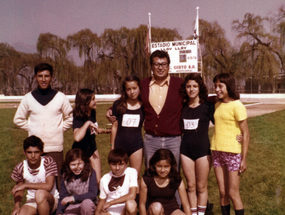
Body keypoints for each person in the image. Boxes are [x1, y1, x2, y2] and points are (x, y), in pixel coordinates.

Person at [107, 50, 183, 168]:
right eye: (156, 64)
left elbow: (194, 98)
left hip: (173, 140)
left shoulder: (179, 84)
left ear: (169, 66)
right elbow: (130, 98)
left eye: (164, 64)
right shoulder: (143, 84)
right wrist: (112, 109)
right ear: (151, 66)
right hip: (151, 140)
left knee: (173, 174)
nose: (160, 68)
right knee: (150, 174)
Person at [13, 63, 73, 188]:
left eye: (46, 76)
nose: (43, 79)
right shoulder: (28, 98)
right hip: (36, 149)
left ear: (51, 77)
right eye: (40, 76)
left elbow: (70, 118)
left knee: (57, 182)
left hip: (55, 147)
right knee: (37, 181)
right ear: (35, 77)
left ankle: (58, 207)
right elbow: (18, 119)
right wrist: (32, 127)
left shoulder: (60, 97)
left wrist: (59, 129)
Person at [212, 73, 250, 215]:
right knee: (223, 193)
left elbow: (245, 133)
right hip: (216, 152)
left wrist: (243, 159)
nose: (217, 89)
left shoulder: (237, 105)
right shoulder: (217, 105)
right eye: (215, 86)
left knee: (233, 193)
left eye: (220, 86)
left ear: (229, 86)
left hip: (233, 153)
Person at [180, 73, 214, 215]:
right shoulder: (182, 107)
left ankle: (201, 213)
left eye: (195, 86)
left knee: (201, 186)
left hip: (202, 151)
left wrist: (237, 135)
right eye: (188, 86)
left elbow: (222, 123)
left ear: (200, 88)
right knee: (191, 186)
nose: (191, 89)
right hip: (185, 151)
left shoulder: (207, 107)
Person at [11, 135, 59, 215]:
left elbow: (49, 186)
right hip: (32, 201)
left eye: (36, 152)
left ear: (41, 152)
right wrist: (17, 206)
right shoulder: (21, 167)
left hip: (50, 199)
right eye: (29, 152)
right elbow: (19, 190)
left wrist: (25, 185)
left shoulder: (48, 162)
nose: (33, 156)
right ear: (24, 152)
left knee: (40, 194)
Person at [72, 88, 110, 183]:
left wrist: (107, 131)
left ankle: (96, 197)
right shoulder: (78, 117)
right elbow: (77, 137)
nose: (95, 101)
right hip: (80, 152)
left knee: (98, 180)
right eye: (93, 99)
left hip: (92, 149)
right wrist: (87, 123)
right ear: (85, 101)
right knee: (80, 180)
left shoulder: (92, 112)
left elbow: (94, 130)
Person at [139, 149, 191, 215]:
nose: (163, 170)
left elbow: (185, 204)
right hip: (154, 210)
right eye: (159, 166)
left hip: (172, 210)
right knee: (156, 207)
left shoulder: (176, 179)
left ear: (171, 166)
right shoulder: (147, 178)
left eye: (166, 166)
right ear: (154, 165)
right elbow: (142, 205)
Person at [110, 75, 144, 176]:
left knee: (134, 177)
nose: (132, 92)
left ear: (139, 88)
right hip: (120, 145)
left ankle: (135, 192)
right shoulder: (118, 105)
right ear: (125, 90)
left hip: (136, 147)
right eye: (128, 89)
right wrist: (112, 147)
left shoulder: (144, 106)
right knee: (118, 176)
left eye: (134, 88)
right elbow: (114, 127)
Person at [95, 148, 138, 215]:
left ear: (126, 164)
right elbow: (102, 201)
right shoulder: (104, 179)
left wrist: (111, 203)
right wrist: (97, 213)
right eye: (114, 164)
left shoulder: (131, 172)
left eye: (121, 164)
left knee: (131, 204)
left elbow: (132, 195)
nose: (117, 168)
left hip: (125, 210)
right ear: (109, 164)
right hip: (110, 212)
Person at [56, 148, 97, 215]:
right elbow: (63, 197)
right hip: (73, 206)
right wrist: (59, 212)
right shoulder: (65, 176)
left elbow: (93, 194)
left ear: (84, 162)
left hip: (89, 204)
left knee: (87, 204)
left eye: (79, 164)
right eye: (73, 164)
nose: (77, 167)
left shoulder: (91, 173)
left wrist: (73, 198)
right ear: (68, 165)